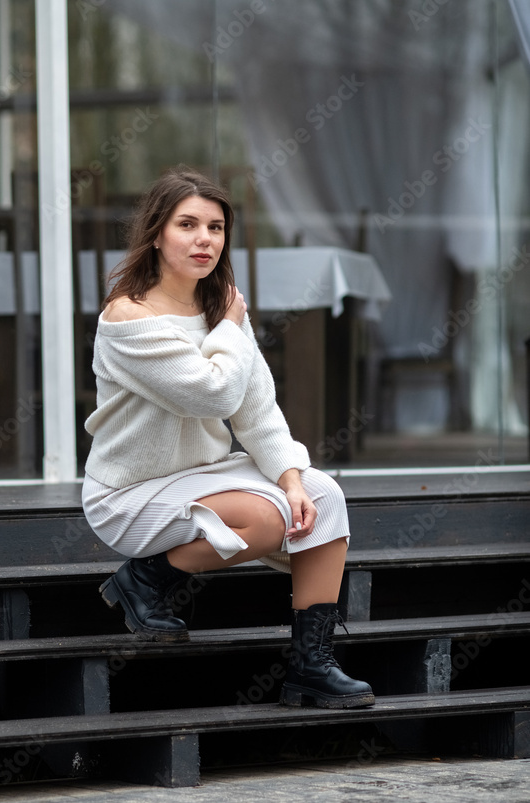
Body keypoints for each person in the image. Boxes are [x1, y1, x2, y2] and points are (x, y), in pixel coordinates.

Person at [82, 167, 374, 709]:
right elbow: (213, 394)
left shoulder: (222, 311)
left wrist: (290, 479)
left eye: (215, 228)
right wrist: (231, 328)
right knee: (263, 519)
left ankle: (312, 667)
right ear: (155, 234)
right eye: (187, 225)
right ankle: (144, 579)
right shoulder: (128, 317)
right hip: (130, 492)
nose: (204, 239)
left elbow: (256, 408)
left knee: (325, 496)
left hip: (202, 475)